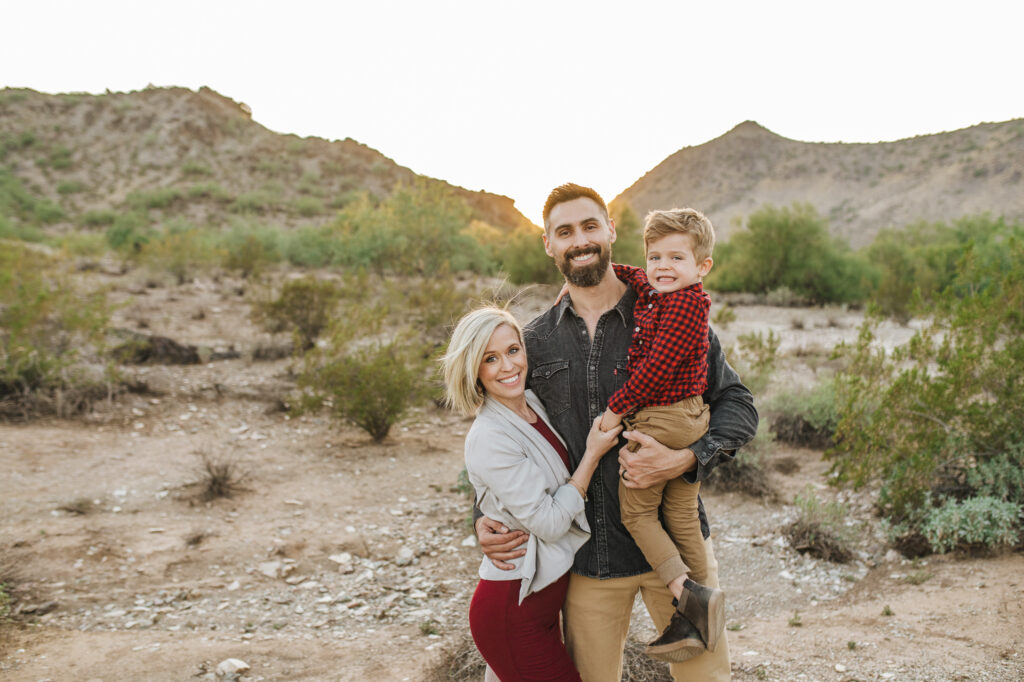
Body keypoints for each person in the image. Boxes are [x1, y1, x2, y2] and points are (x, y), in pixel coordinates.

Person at [475, 183, 758, 682]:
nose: (579, 240)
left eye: (589, 226)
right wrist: (482, 515)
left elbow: (737, 404)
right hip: (589, 559)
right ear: (548, 244)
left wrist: (688, 458)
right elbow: (507, 438)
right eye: (564, 232)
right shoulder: (533, 343)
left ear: (611, 230)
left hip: (678, 557)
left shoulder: (669, 311)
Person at [442, 306, 622, 681]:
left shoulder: (531, 404)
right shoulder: (489, 437)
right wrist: (592, 454)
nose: (508, 366)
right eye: (490, 359)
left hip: (540, 607)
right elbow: (551, 522)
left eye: (512, 350)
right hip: (514, 609)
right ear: (474, 369)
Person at [596, 208, 722, 662]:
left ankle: (686, 594)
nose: (662, 267)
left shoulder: (688, 307)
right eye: (655, 257)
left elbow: (654, 372)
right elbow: (639, 277)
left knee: (637, 512)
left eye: (676, 258)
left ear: (702, 267)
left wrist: (615, 410)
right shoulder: (662, 291)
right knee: (682, 511)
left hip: (664, 417)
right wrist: (612, 270)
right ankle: (702, 604)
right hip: (686, 415)